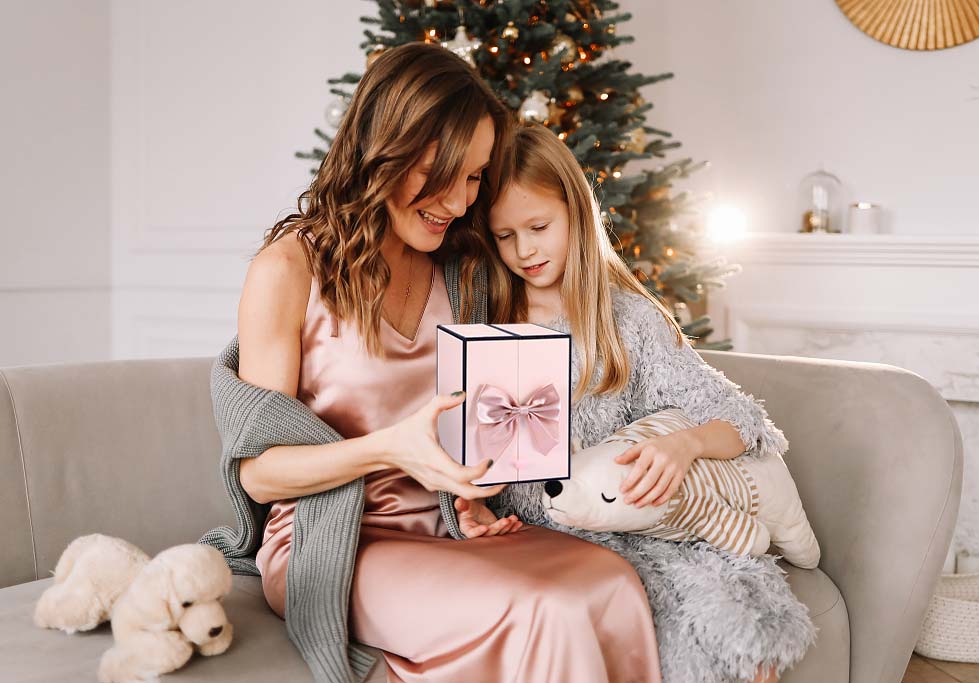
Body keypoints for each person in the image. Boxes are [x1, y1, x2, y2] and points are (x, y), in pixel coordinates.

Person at [235, 44, 662, 683]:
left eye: (473, 177)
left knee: (613, 582)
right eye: (445, 174)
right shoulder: (288, 271)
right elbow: (259, 477)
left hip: (449, 528)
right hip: (334, 541)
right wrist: (389, 450)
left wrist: (477, 487)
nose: (461, 202)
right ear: (387, 148)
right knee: (546, 608)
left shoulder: (459, 269)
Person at [480, 124, 813, 683]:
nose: (525, 251)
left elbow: (740, 419)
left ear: (577, 215)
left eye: (539, 227)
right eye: (505, 236)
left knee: (734, 623)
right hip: (530, 536)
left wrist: (684, 445)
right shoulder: (480, 314)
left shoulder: (627, 320)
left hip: (633, 527)